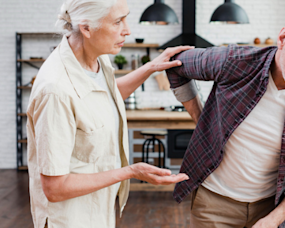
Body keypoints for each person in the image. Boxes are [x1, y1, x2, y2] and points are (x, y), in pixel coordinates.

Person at [166, 7, 285, 228]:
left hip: (269, 208)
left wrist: (274, 219)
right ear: (283, 38)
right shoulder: (236, 61)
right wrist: (201, 119)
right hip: (213, 204)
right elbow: (175, 64)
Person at [26, 0, 193, 227]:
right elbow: (55, 188)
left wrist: (151, 67)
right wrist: (131, 171)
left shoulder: (96, 58)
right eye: (117, 21)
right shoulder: (55, 90)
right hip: (69, 219)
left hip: (98, 211)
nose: (127, 30)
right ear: (86, 28)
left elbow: (106, 94)